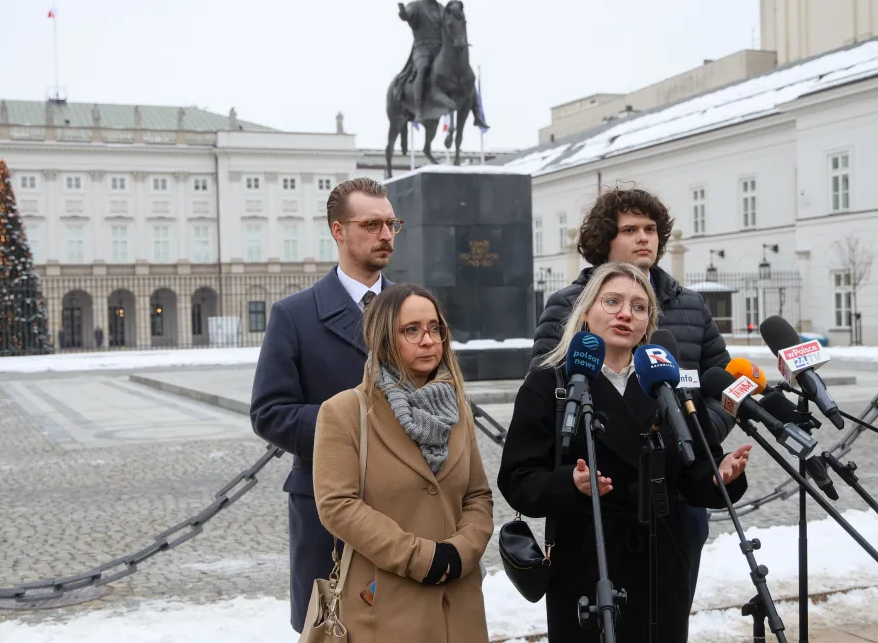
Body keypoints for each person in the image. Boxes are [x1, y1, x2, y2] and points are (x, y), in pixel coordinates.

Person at [499, 261, 751, 643]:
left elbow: (695, 469)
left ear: (648, 321)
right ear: (586, 312)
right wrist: (571, 483)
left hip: (661, 562)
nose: (625, 314)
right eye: (612, 301)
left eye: (638, 306)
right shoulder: (550, 382)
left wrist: (722, 473)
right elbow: (518, 479)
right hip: (587, 563)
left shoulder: (665, 382)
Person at [528, 185, 730, 603]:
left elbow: (725, 384)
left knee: (668, 608)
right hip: (596, 499)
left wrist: (693, 435)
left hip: (678, 493)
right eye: (631, 229)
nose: (645, 238)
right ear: (605, 240)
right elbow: (545, 397)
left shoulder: (690, 305)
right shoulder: (567, 305)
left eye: (651, 229)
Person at [249, 176, 402, 634]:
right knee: (333, 630)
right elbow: (269, 412)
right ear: (338, 231)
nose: (386, 234)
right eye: (372, 224)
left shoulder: (412, 308)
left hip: (407, 505)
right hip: (328, 508)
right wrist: (353, 426)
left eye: (392, 223)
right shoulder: (294, 315)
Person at [314, 283, 493, 643]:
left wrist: (462, 551)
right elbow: (337, 505)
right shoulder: (345, 411)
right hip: (383, 605)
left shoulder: (456, 408)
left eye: (435, 328)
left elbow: (477, 496)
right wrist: (421, 557)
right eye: (411, 330)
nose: (427, 340)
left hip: (458, 604)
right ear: (383, 338)